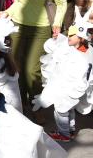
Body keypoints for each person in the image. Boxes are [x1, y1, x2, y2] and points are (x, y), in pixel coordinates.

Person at [0, 0, 67, 117]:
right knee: (17, 68)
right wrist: (6, 12)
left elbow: (62, 2)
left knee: (31, 71)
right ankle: (21, 105)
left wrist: (57, 23)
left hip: (40, 30)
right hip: (17, 27)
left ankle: (37, 107)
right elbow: (18, 3)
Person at [32, 8, 93, 142]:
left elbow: (71, 74)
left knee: (60, 110)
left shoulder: (80, 56)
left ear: (81, 38)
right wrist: (56, 39)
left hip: (71, 89)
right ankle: (70, 130)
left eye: (72, 35)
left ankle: (64, 134)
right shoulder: (76, 49)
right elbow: (57, 47)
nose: (68, 37)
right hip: (72, 90)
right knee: (69, 109)